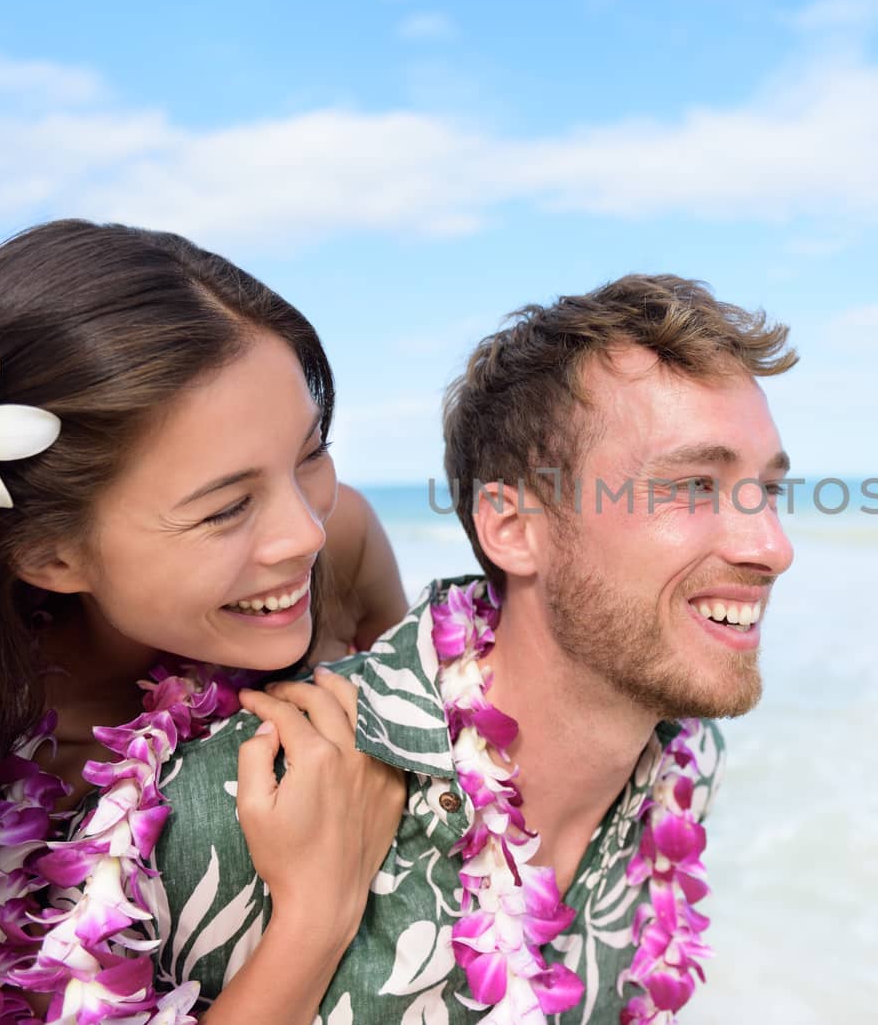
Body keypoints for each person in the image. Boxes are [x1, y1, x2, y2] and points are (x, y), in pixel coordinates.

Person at [148, 274, 798, 1022]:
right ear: (513, 528)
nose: (771, 547)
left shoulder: (687, 769)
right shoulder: (243, 799)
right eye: (690, 487)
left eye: (768, 492)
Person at [0, 220, 412, 1024]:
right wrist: (315, 918)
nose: (305, 533)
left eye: (311, 453)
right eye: (227, 508)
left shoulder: (343, 549)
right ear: (50, 555)